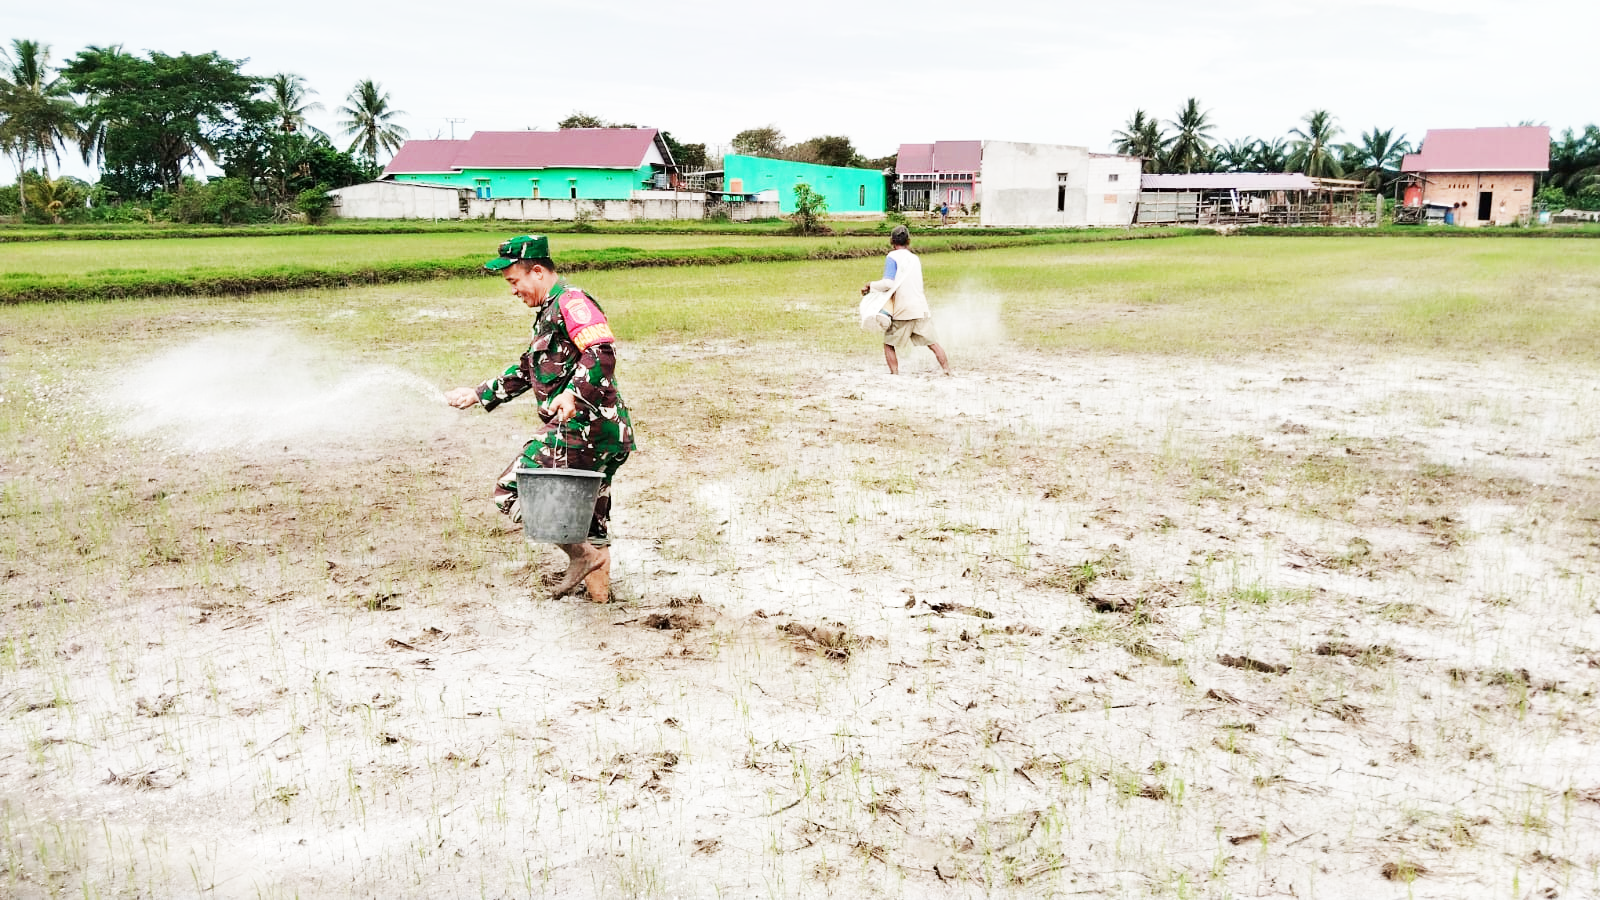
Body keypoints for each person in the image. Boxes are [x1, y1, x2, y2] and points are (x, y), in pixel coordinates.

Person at [445, 234, 635, 603]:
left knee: (509, 490)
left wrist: (573, 394)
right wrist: (478, 393)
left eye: (514, 281)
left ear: (537, 272)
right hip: (603, 432)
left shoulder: (572, 302)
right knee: (589, 523)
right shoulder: (548, 314)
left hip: (583, 429)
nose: (513, 290)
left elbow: (601, 353)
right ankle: (601, 610)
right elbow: (527, 370)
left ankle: (582, 558)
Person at [860, 225, 951, 375]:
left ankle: (895, 374)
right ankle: (947, 370)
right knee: (933, 343)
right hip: (920, 308)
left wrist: (870, 285)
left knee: (889, 344)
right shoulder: (915, 259)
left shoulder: (892, 257)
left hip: (903, 310)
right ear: (908, 241)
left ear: (891, 241)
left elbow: (888, 283)